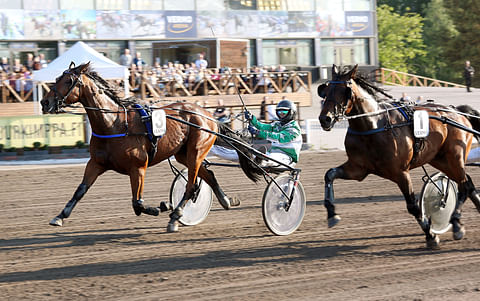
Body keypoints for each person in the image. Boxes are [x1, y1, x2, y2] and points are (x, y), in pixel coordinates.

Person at [244, 99, 302, 167]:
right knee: (249, 153)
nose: (281, 114)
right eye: (279, 112)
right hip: (272, 153)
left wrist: (258, 132)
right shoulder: (277, 124)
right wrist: (252, 118)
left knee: (271, 157)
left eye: (284, 112)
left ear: (291, 112)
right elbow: (262, 126)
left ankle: (260, 162)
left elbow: (278, 137)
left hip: (287, 158)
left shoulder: (294, 129)